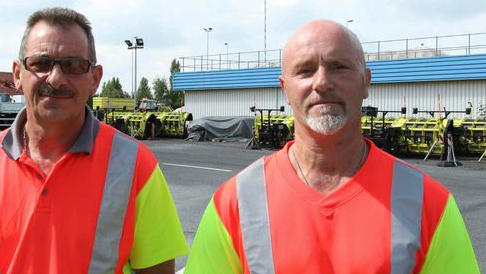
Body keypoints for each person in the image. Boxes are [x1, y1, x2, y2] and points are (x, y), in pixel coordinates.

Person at [185, 19, 479, 273]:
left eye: (339, 67)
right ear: (284, 88)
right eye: (305, 70)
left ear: (366, 82)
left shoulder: (429, 203)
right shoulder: (235, 203)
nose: (322, 82)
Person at [0, 7, 189, 273]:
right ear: (17, 75)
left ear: (95, 79)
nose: (56, 79)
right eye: (41, 63)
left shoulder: (135, 165)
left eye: (73, 65)